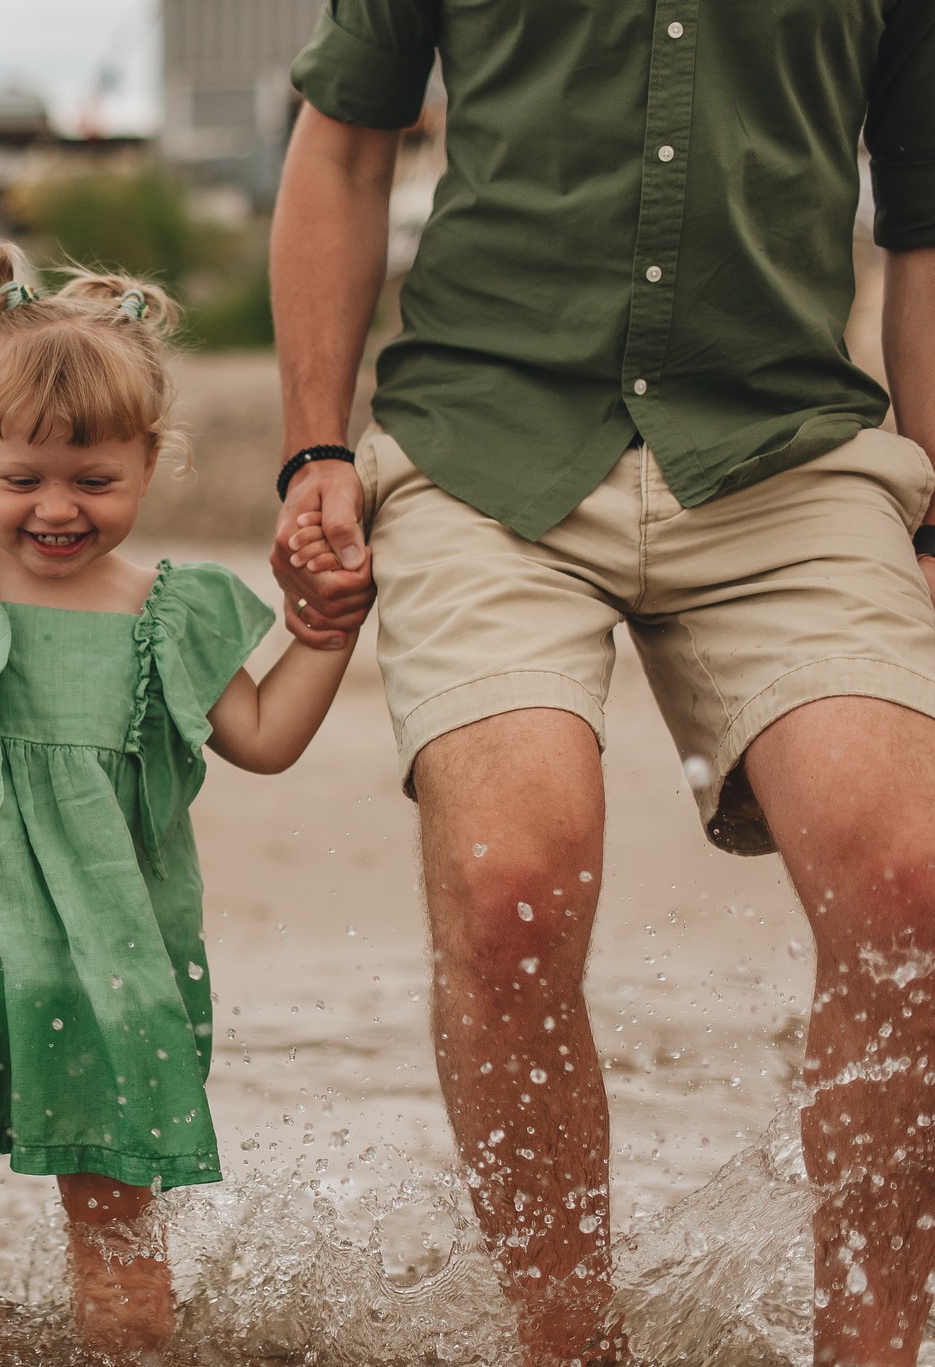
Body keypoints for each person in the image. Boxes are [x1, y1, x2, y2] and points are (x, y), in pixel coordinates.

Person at [267, 3, 935, 1364]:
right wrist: (312, 447)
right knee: (513, 879)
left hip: (786, 448)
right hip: (485, 442)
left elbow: (924, 220)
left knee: (915, 885)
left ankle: (868, 1349)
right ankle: (567, 1344)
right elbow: (342, 147)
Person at [0, 243, 361, 1355]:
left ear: (149, 460)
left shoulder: (165, 611)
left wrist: (325, 630)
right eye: (21, 478)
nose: (55, 508)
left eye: (94, 481)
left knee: (111, 1219)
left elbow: (266, 737)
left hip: (106, 964)